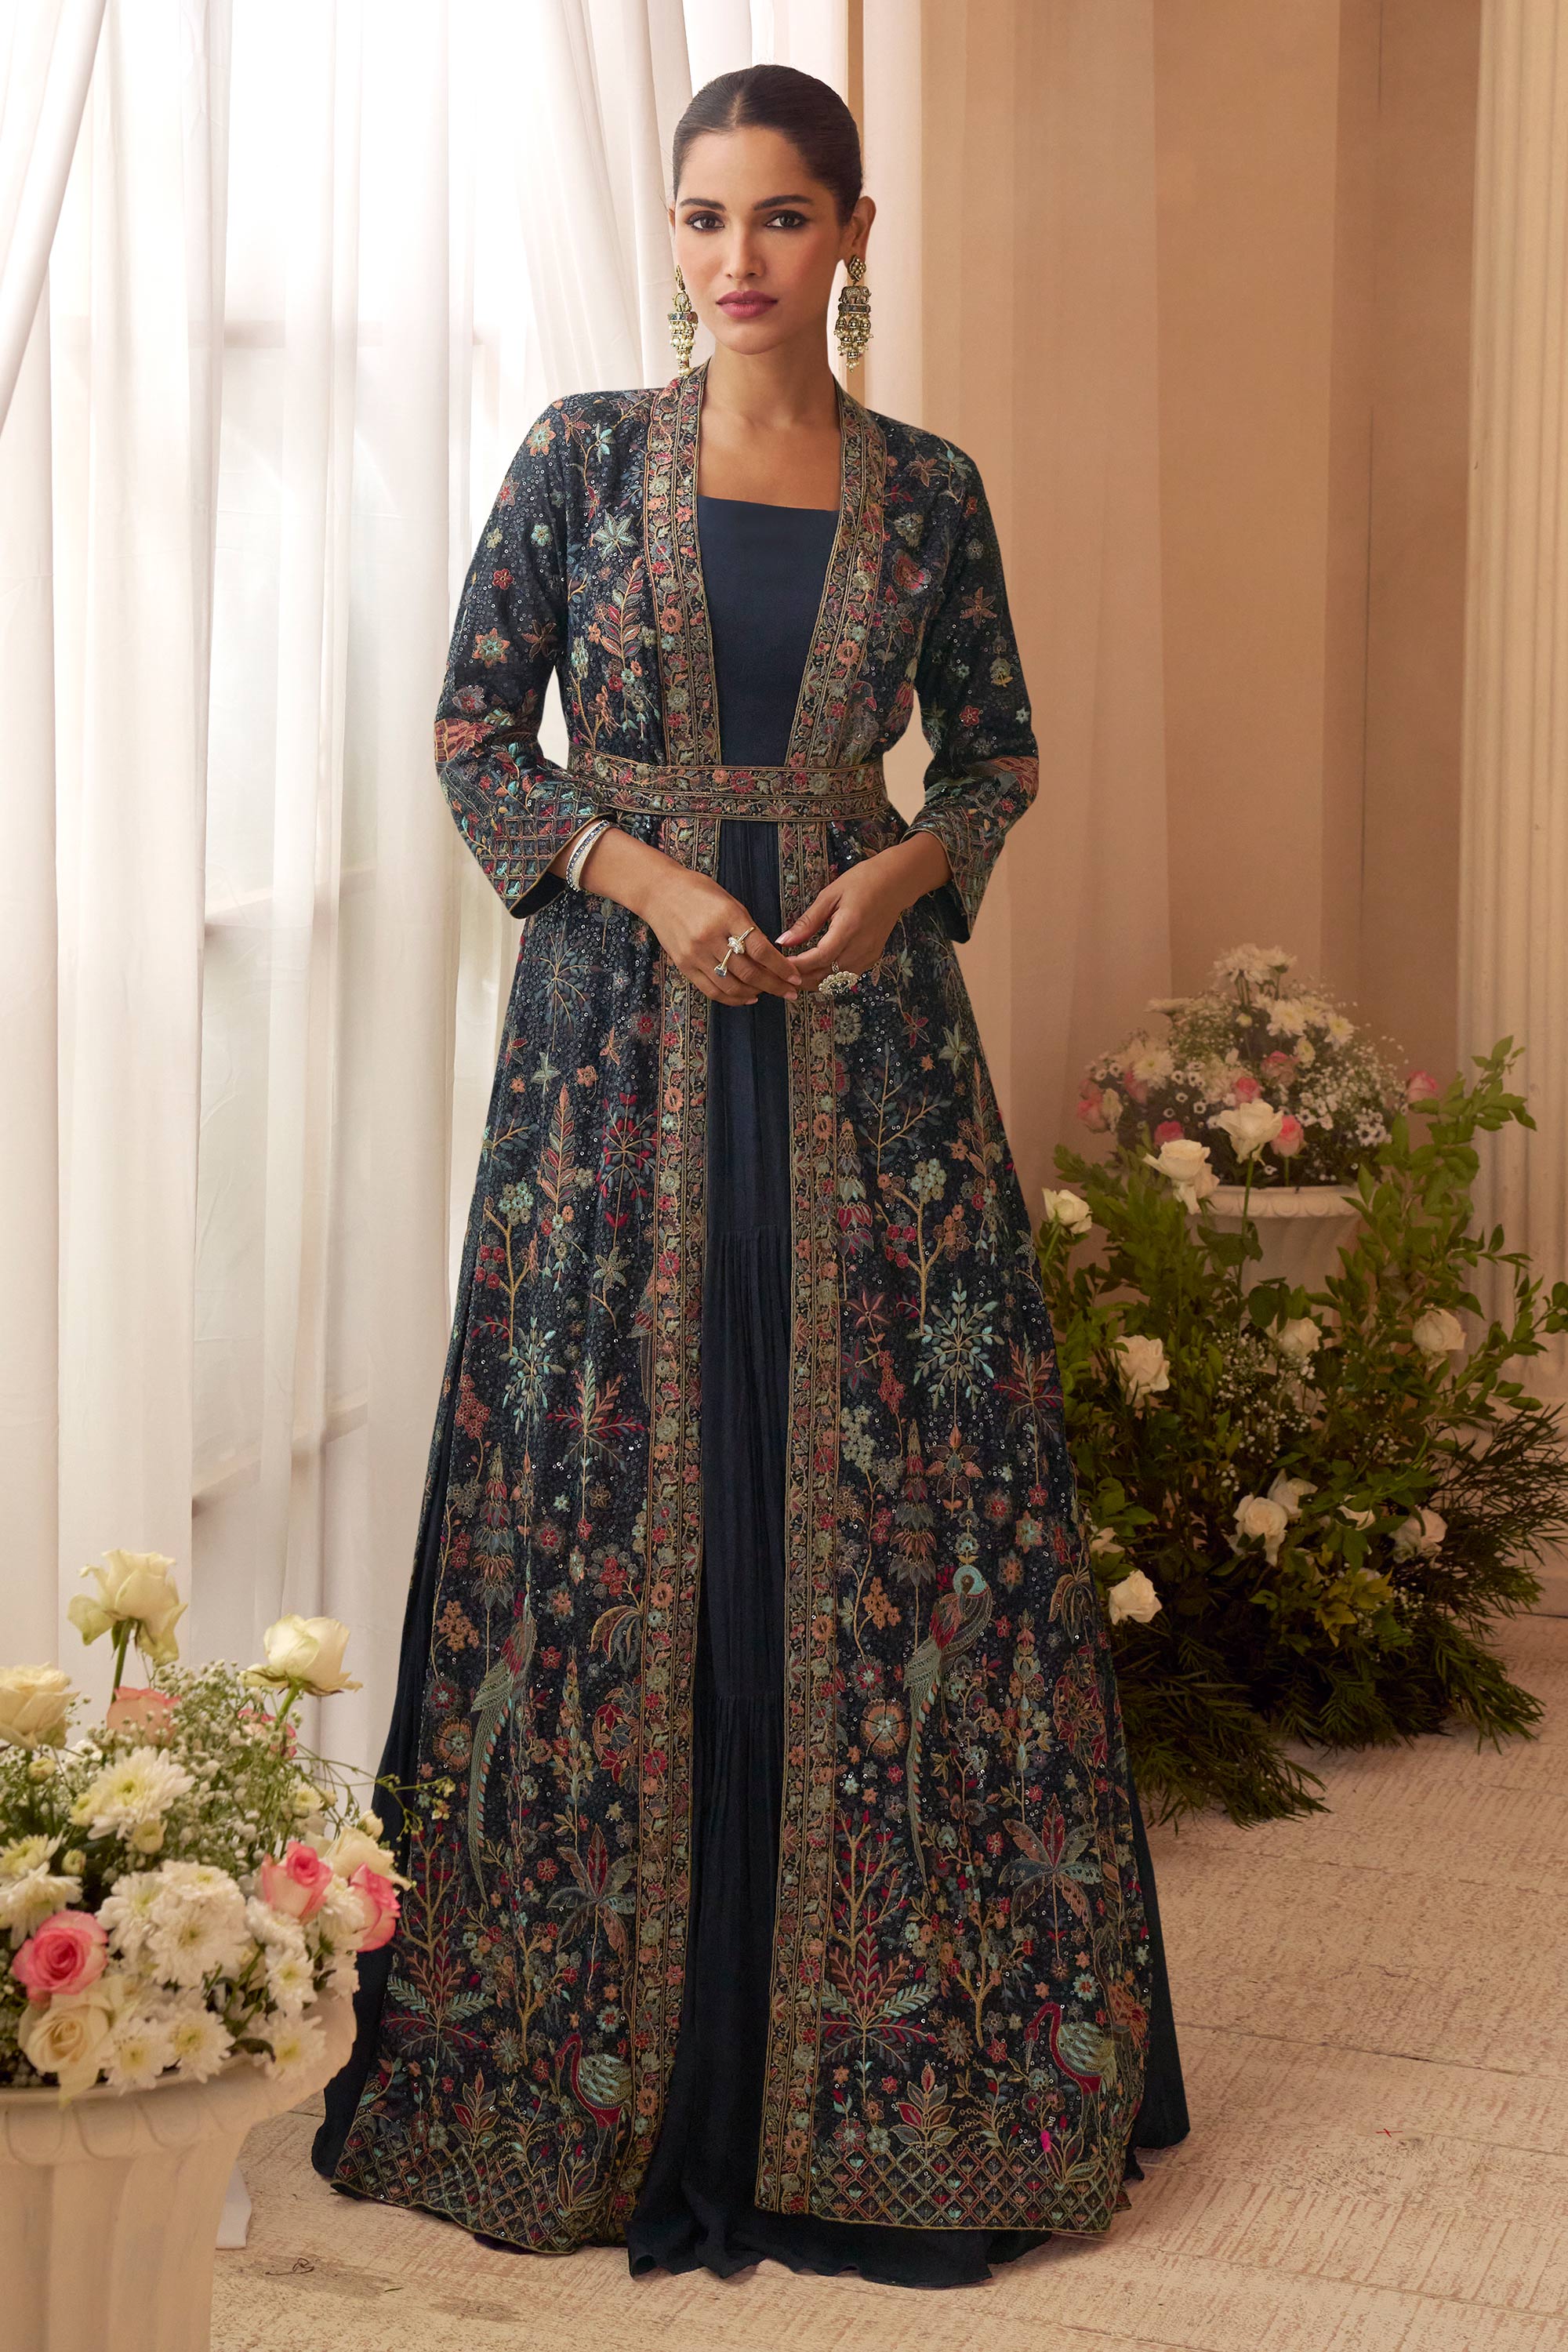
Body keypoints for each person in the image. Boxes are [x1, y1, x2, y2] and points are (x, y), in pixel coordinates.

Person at [314, 61, 1188, 2288]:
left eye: (783, 218)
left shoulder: (930, 490)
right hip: (612, 1064)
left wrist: (902, 874)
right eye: (705, 218)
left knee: (888, 1507)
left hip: (870, 1062)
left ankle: (873, 2065)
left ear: (854, 233)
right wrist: (638, 876)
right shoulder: (577, 460)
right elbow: (471, 735)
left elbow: (992, 754)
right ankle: (599, 2062)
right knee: (611, 1495)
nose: (738, 260)